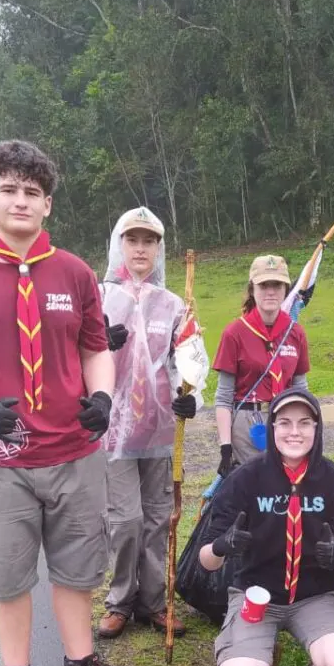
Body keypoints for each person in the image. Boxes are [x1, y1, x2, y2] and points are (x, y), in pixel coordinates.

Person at [0, 139, 132, 666]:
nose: (20, 200)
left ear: (47, 204)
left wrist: (101, 397)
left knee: (78, 568)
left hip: (73, 454)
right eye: (9, 188)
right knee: (6, 571)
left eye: (32, 191)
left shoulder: (75, 273)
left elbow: (95, 347)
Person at [199, 389, 334, 666]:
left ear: (317, 429)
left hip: (314, 597)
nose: (294, 432)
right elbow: (205, 561)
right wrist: (221, 547)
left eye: (305, 423)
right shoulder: (245, 479)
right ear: (272, 428)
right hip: (256, 597)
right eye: (285, 422)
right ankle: (264, 655)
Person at [97, 208, 208, 640]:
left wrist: (191, 396)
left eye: (149, 241)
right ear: (119, 244)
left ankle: (154, 602)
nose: (140, 248)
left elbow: (190, 357)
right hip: (115, 431)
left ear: (158, 248)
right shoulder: (100, 297)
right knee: (124, 521)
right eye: (133, 240)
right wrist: (101, 344)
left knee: (157, 518)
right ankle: (120, 600)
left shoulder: (174, 303)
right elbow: (79, 353)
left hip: (160, 430)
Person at [212, 255, 310, 474]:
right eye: (264, 285)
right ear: (252, 289)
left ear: (286, 289)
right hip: (248, 424)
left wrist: (309, 428)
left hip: (286, 421)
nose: (271, 291)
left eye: (277, 285)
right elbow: (223, 396)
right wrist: (225, 448)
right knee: (255, 487)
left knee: (287, 486)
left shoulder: (295, 333)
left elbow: (302, 389)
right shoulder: (234, 333)